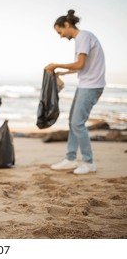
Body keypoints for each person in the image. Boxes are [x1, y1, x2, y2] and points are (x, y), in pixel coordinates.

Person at [45, 9, 106, 175]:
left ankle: (88, 162)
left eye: (60, 31)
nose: (61, 36)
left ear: (66, 24)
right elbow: (82, 66)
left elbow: (79, 64)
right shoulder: (82, 39)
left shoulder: (83, 36)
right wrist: (62, 73)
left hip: (92, 86)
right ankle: (70, 159)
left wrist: (56, 64)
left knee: (77, 123)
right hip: (86, 84)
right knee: (73, 121)